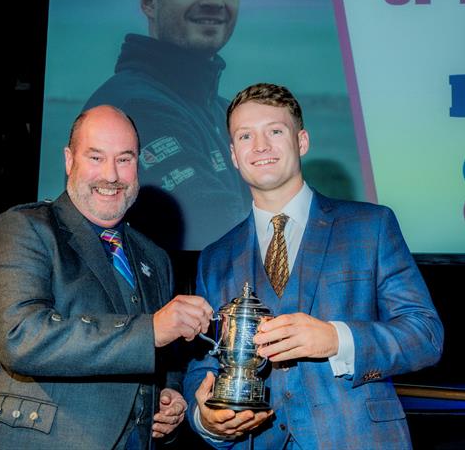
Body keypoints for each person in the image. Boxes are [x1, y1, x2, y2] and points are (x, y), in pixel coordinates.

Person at [183, 84, 444, 448]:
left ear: (301, 141)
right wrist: (206, 419)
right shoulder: (215, 257)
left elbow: (425, 335)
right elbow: (203, 364)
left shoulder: (371, 226)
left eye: (275, 131)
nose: (260, 146)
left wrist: (336, 339)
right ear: (233, 154)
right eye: (246, 136)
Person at [0, 105, 214, 449]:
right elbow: (22, 338)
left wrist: (169, 397)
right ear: (68, 160)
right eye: (95, 157)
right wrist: (150, 330)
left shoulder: (155, 258)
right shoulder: (24, 228)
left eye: (124, 159)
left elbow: (160, 358)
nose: (111, 175)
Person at [83, 0, 253, 251]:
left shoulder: (222, 111)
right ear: (149, 1)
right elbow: (217, 226)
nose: (215, 1)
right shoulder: (132, 106)